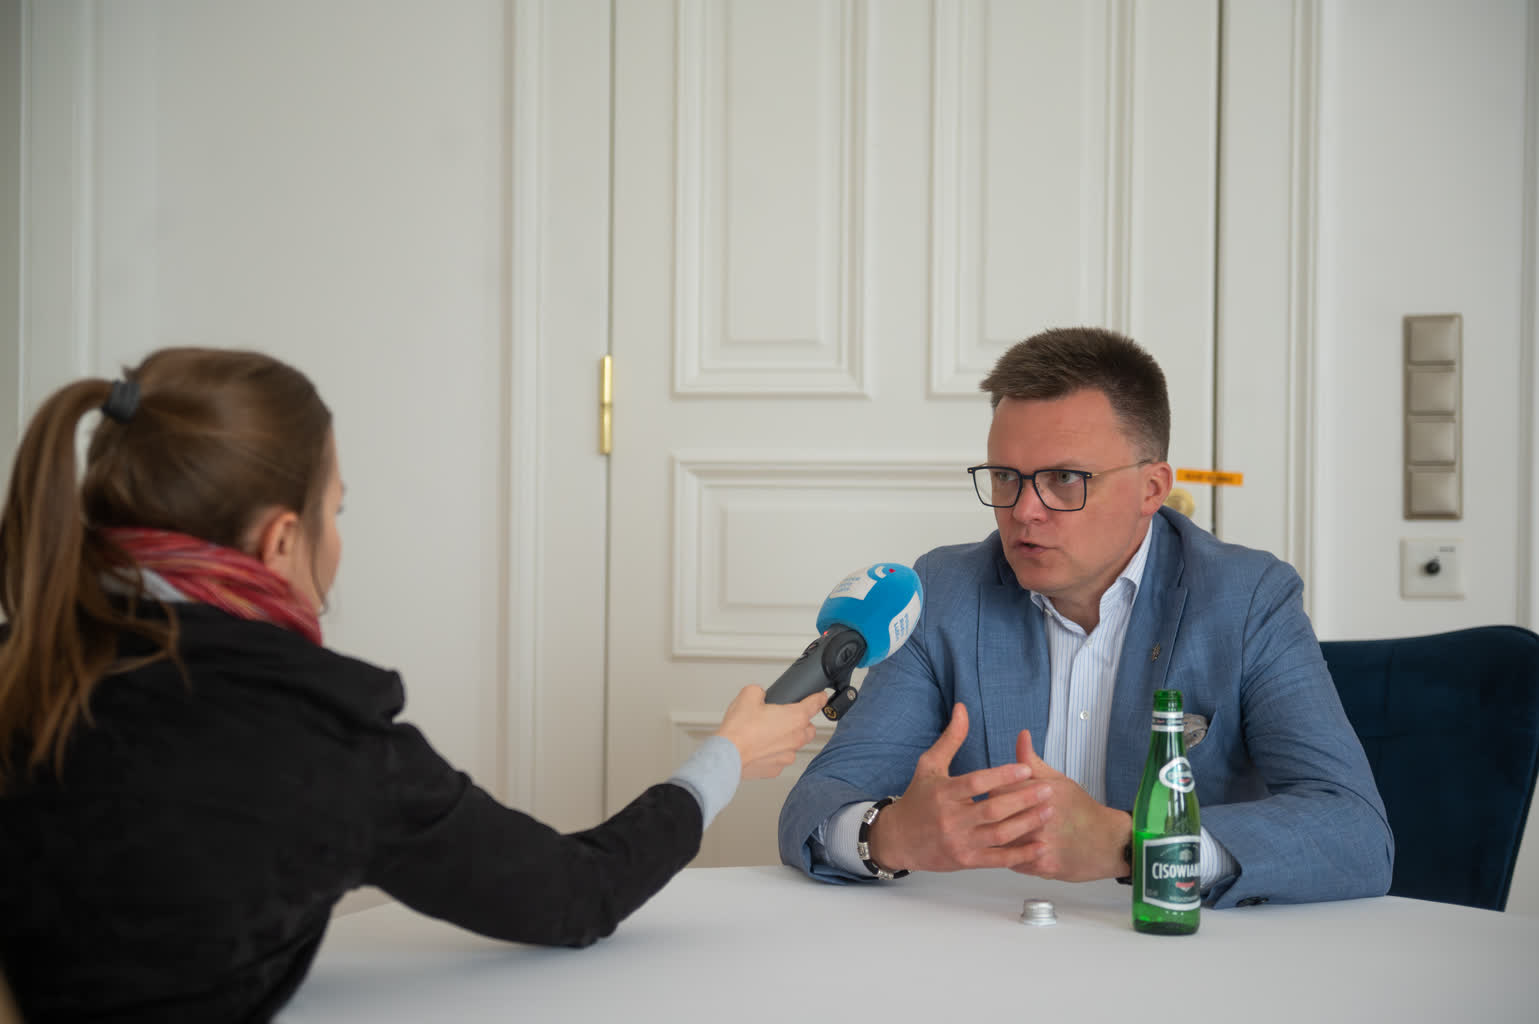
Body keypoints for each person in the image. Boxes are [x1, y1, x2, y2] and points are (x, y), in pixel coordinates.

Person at [0, 348, 828, 1022]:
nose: (335, 540)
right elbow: (575, 895)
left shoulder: (23, 663)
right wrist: (726, 758)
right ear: (282, 539)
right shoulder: (318, 742)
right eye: (335, 512)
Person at [779, 326, 1393, 907]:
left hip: (1176, 951)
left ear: (1152, 488)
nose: (1025, 511)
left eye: (1065, 479)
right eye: (1006, 477)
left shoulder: (1248, 598)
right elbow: (817, 804)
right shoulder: (944, 591)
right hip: (987, 943)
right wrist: (891, 835)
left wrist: (1132, 846)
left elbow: (1357, 833)